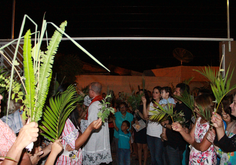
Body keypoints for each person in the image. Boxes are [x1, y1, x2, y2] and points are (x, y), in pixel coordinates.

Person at [172, 94, 217, 165]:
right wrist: (180, 130)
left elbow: (202, 147)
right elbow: (190, 138)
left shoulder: (212, 124)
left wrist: (192, 143)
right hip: (194, 158)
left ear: (204, 107)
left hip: (205, 160)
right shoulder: (198, 120)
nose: (194, 110)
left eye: (196, 107)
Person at [83, 82, 112, 165]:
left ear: (92, 91)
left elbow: (90, 124)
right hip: (102, 137)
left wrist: (81, 122)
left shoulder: (94, 105)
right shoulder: (103, 103)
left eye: (89, 90)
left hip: (94, 138)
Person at [163, 83, 192, 165]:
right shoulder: (176, 105)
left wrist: (165, 125)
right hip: (169, 141)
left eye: (176, 92)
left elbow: (179, 126)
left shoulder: (186, 108)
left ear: (183, 94)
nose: (174, 93)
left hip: (176, 143)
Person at [142, 86, 164, 165]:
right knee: (153, 157)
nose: (154, 94)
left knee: (158, 157)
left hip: (158, 134)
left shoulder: (163, 104)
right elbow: (145, 116)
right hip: (150, 133)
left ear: (160, 94)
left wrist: (151, 117)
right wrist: (144, 104)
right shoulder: (151, 103)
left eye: (156, 92)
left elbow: (160, 118)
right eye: (153, 92)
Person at [134, 90, 149, 165]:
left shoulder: (147, 104)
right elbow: (135, 116)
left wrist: (138, 112)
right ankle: (140, 163)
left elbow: (145, 117)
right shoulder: (136, 104)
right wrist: (135, 119)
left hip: (145, 126)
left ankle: (145, 163)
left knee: (144, 147)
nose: (140, 96)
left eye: (142, 94)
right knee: (139, 146)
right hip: (138, 125)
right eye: (139, 94)